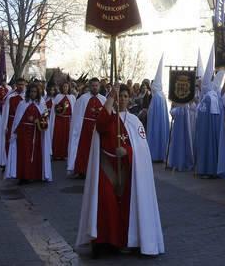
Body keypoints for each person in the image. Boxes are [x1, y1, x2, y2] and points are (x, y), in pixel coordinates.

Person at [76, 84, 164, 257]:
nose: (122, 99)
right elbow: (100, 124)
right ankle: (105, 243)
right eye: (119, 96)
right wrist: (111, 96)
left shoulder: (135, 121)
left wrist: (128, 151)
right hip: (107, 168)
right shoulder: (109, 117)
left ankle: (127, 240)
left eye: (125, 96)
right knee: (106, 203)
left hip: (128, 170)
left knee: (127, 208)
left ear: (129, 99)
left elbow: (142, 149)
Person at [5, 81, 52, 183]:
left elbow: (45, 119)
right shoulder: (22, 103)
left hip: (37, 133)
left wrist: (39, 121)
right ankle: (23, 176)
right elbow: (17, 119)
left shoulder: (42, 103)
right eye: (31, 91)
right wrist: (14, 132)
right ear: (28, 92)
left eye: (35, 92)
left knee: (36, 154)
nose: (33, 94)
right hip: (24, 133)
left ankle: (36, 175)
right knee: (24, 154)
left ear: (38, 93)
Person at [68, 78, 106, 176]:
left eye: (96, 85)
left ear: (99, 86)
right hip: (85, 130)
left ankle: (97, 172)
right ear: (90, 86)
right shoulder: (82, 99)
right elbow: (77, 116)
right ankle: (82, 171)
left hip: (98, 130)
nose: (94, 87)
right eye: (93, 85)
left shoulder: (103, 99)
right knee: (84, 150)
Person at [194, 50, 222, 178]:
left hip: (208, 130)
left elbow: (204, 112)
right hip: (206, 129)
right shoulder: (209, 96)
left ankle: (209, 170)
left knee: (208, 149)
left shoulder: (209, 97)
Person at [0, 77, 26, 167]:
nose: (21, 86)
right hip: (11, 122)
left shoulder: (27, 97)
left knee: (21, 144)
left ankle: (19, 164)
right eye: (19, 84)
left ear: (25, 85)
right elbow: (6, 112)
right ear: (16, 85)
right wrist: (5, 125)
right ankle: (7, 163)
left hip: (23, 124)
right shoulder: (10, 97)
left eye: (22, 84)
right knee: (9, 142)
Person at [146, 56, 169, 162]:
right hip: (160, 123)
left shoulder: (156, 97)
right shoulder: (162, 95)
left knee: (156, 137)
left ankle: (155, 155)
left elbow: (153, 112)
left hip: (156, 123)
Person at [51, 82, 75, 161]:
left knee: (66, 137)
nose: (65, 88)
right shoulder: (58, 97)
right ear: (62, 88)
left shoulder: (72, 97)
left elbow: (74, 110)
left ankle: (65, 155)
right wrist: (58, 110)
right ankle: (57, 154)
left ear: (69, 88)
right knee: (58, 136)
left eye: (66, 87)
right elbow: (54, 108)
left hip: (68, 120)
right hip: (59, 120)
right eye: (64, 86)